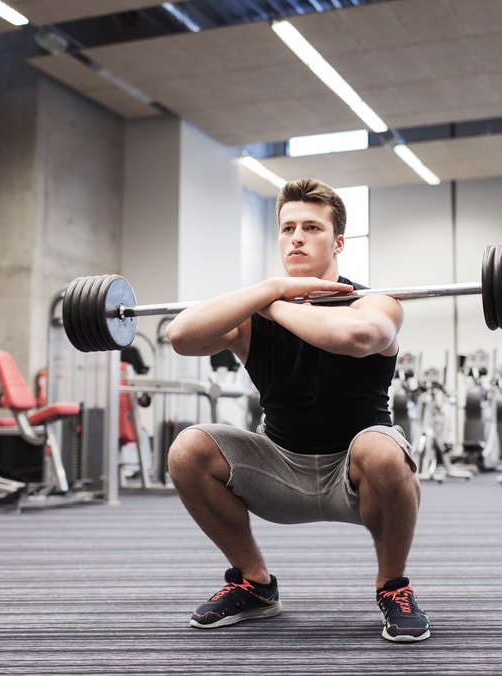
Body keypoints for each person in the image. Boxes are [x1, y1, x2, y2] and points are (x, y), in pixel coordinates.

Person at [164, 177, 430, 643]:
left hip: (357, 474)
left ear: (339, 241)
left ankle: (393, 587)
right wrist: (271, 290)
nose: (297, 237)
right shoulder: (256, 308)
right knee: (188, 449)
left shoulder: (376, 302)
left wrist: (275, 306)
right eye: (288, 229)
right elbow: (181, 336)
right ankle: (255, 585)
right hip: (280, 468)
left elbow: (356, 338)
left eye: (311, 227)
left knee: (383, 449)